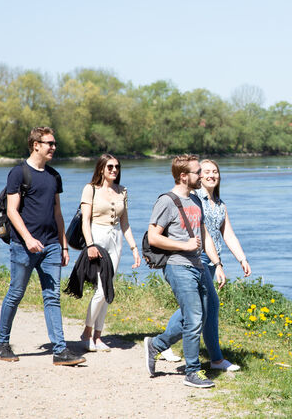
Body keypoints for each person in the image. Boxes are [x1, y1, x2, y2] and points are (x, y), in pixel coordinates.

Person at [0, 126, 85, 366]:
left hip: (52, 245)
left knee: (52, 296)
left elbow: (58, 212)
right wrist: (28, 239)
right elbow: (12, 211)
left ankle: (60, 350)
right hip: (23, 246)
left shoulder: (54, 176)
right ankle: (2, 343)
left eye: (54, 143)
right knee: (15, 293)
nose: (53, 147)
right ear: (36, 145)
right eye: (49, 143)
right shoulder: (19, 173)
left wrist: (64, 246)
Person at [143, 154, 226, 388]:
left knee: (200, 315)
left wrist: (217, 263)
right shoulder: (167, 201)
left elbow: (204, 235)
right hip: (177, 265)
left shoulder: (196, 201)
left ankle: (156, 345)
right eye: (197, 172)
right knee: (195, 317)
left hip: (197, 265)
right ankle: (192, 371)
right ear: (183, 176)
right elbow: (153, 237)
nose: (201, 175)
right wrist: (184, 245)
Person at [162, 159, 251, 372]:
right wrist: (217, 264)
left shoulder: (220, 204)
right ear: (199, 175)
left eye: (215, 172)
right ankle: (216, 359)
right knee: (209, 307)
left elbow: (227, 233)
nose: (212, 175)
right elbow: (202, 234)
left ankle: (161, 343)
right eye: (207, 172)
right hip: (197, 258)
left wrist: (242, 259)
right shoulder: (194, 199)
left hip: (212, 260)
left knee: (196, 307)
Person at [78, 154, 141, 352]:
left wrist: (134, 248)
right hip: (97, 236)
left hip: (116, 239)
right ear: (101, 169)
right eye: (110, 167)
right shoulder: (90, 189)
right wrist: (90, 245)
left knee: (108, 287)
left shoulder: (122, 190)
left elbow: (125, 223)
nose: (114, 170)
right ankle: (86, 334)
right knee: (102, 289)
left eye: (117, 167)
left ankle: (98, 336)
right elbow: (85, 220)